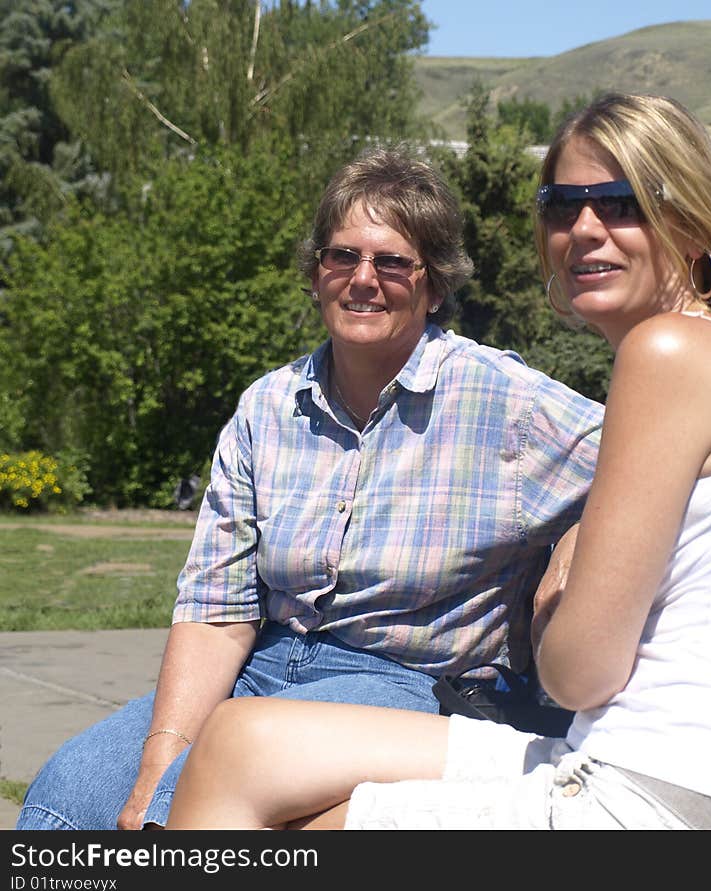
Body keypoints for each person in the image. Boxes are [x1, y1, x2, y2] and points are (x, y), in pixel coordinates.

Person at [164, 93, 711, 831]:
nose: (583, 229)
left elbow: (578, 673)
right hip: (657, 775)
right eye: (563, 205)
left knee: (307, 823)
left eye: (622, 203)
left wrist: (556, 595)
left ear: (695, 225)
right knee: (240, 744)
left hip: (663, 800)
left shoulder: (666, 353)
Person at [16, 145, 605, 831]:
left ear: (435, 284)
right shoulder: (266, 408)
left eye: (392, 261)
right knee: (69, 797)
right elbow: (216, 612)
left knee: (180, 812)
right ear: (316, 270)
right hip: (261, 668)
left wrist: (580, 536)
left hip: (403, 685)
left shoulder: (511, 406)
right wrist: (160, 755)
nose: (363, 279)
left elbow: (668, 458)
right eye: (341, 257)